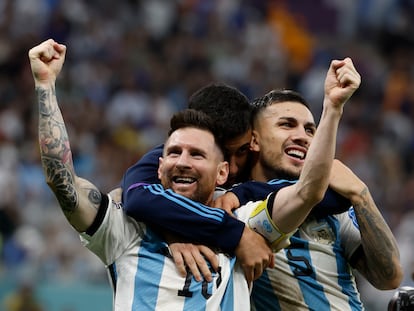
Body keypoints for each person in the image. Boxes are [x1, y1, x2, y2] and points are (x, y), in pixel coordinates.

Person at [29, 38, 274, 310]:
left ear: (222, 172)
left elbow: (304, 195)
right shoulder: (126, 228)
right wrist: (45, 86)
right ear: (158, 165)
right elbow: (61, 180)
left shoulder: (245, 216)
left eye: (197, 154)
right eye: (174, 152)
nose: (182, 161)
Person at [217, 82, 403, 308]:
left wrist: (362, 195)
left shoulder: (334, 210)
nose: (302, 137)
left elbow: (389, 277)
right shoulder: (229, 206)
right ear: (254, 140)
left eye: (309, 130)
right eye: (287, 125)